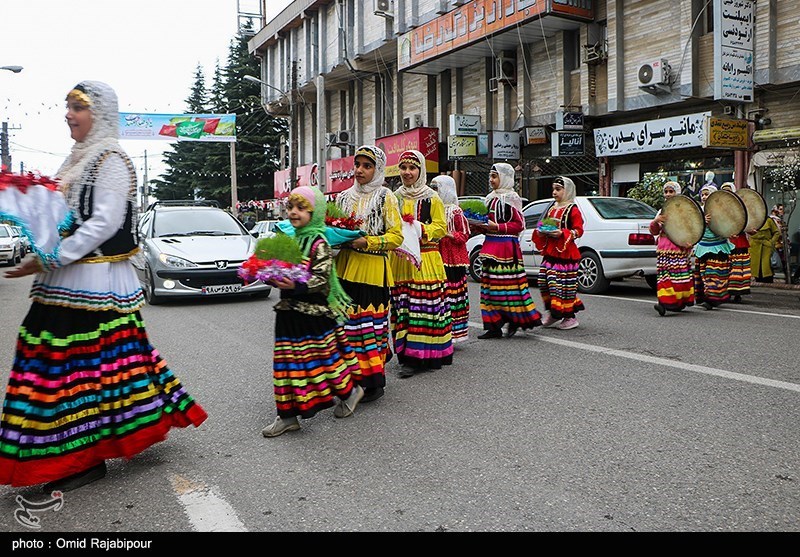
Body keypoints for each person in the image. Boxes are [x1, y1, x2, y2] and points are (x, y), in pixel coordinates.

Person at [0, 81, 207, 492]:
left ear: (102, 114)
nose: (67, 115)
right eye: (67, 107)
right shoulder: (76, 160)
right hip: (62, 283)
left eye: (77, 107)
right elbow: (63, 219)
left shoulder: (111, 158)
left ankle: (81, 458)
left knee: (75, 372)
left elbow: (104, 224)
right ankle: (69, 452)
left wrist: (50, 257)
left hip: (93, 286)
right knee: (61, 368)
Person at [261, 186, 364, 437]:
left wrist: (296, 284)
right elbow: (277, 268)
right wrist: (268, 275)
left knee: (324, 362)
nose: (294, 213)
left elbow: (322, 279)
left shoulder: (320, 243)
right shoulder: (288, 240)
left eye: (301, 208)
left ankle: (351, 392)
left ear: (315, 213)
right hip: (287, 312)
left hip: (314, 314)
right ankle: (287, 416)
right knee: (285, 365)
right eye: (291, 208)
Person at [334, 145, 403, 402]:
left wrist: (368, 243)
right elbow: (334, 229)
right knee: (347, 328)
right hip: (345, 268)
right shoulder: (343, 197)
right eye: (358, 165)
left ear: (377, 169)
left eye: (367, 166)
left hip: (373, 271)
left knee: (368, 328)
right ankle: (350, 380)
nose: (360, 170)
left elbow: (396, 237)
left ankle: (373, 383)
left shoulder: (386, 197)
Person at [389, 151, 453, 377]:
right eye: (403, 168)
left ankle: (422, 356)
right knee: (404, 306)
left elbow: (441, 227)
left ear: (421, 170)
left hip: (426, 258)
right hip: (401, 260)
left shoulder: (431, 197)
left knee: (423, 308)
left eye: (412, 168)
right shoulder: (394, 197)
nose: (407, 172)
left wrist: (420, 228)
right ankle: (406, 354)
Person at [473, 163, 542, 338]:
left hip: (506, 249)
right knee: (489, 289)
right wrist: (477, 225)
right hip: (490, 247)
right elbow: (487, 223)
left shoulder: (512, 198)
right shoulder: (490, 198)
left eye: (494, 177)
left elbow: (518, 225)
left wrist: (497, 226)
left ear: (504, 178)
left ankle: (514, 319)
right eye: (490, 176)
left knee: (507, 288)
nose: (491, 180)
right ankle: (493, 326)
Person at [532, 176, 586, 329]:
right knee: (544, 282)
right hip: (551, 252)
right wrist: (542, 231)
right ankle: (553, 313)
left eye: (558, 189)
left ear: (567, 190)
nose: (554, 192)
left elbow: (579, 230)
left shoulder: (572, 209)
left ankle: (569, 317)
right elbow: (544, 224)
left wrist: (562, 233)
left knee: (562, 286)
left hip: (565, 254)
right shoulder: (552, 208)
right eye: (553, 189)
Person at [431, 174, 470, 344]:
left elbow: (464, 235)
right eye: (432, 188)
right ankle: (442, 331)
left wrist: (447, 234)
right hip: (437, 256)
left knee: (454, 295)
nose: (434, 192)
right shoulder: (433, 208)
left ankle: (456, 332)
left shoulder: (455, 211)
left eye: (437, 188)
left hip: (453, 259)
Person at [649, 181, 695, 315]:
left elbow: (691, 229)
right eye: (666, 191)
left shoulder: (685, 210)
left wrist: (689, 243)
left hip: (678, 247)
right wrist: (655, 221)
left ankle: (679, 301)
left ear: (677, 193)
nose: (668, 194)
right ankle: (663, 302)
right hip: (664, 248)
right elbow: (654, 231)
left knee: (679, 277)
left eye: (671, 191)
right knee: (665, 277)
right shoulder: (661, 211)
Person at [693, 184, 732, 309]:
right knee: (703, 273)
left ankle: (713, 299)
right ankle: (705, 296)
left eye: (707, 194)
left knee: (714, 273)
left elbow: (728, 226)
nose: (704, 197)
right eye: (703, 194)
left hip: (718, 247)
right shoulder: (699, 210)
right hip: (703, 246)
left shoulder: (721, 210)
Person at [719, 182, 752, 303]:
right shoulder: (717, 208)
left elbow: (748, 224)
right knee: (724, 268)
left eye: (729, 190)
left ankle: (737, 292)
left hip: (739, 241)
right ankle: (724, 292)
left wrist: (751, 230)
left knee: (738, 269)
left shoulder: (741, 207)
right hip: (723, 242)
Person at [749, 210, 780, 283]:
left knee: (767, 268)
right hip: (755, 247)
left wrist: (771, 242)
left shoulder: (768, 220)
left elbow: (776, 232)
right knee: (757, 269)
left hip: (766, 247)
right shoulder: (751, 220)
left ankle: (768, 282)